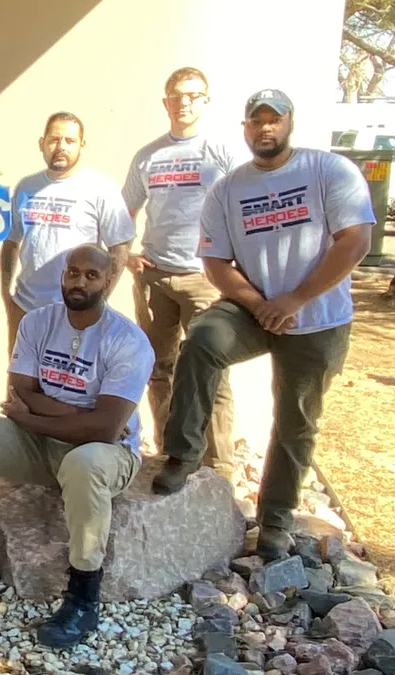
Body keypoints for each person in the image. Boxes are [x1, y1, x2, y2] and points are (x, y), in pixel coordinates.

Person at [152, 90, 376, 562]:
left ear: (289, 122)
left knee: (296, 421)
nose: (265, 128)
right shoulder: (229, 188)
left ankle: (275, 522)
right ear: (245, 128)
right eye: (256, 121)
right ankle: (184, 452)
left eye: (273, 120)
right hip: (255, 309)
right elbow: (214, 261)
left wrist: (295, 298)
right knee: (204, 341)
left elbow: (355, 240)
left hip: (318, 318)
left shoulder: (328, 170)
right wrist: (261, 304)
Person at [0, 244, 153, 649]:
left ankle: (83, 598)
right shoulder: (37, 323)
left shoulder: (128, 341)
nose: (79, 281)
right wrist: (74, 416)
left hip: (106, 456)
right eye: (72, 272)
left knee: (84, 462)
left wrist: (33, 416)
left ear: (108, 280)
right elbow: (23, 389)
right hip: (40, 444)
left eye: (91, 275)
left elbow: (104, 429)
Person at [121, 68, 243, 471]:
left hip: (203, 279)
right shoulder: (148, 155)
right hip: (156, 277)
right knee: (159, 369)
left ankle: (219, 464)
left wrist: (230, 265)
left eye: (193, 95)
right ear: (165, 102)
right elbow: (125, 214)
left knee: (212, 368)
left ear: (205, 101)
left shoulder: (220, 151)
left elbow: (241, 210)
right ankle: (170, 450)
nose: (184, 102)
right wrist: (128, 257)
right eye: (176, 95)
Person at [1, 112, 137, 356]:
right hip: (26, 308)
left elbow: (120, 247)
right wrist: (6, 294)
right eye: (54, 139)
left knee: (67, 388)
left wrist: (98, 300)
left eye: (69, 141)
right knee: (18, 386)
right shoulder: (26, 186)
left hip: (75, 310)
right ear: (41, 143)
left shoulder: (100, 188)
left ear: (82, 145)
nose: (61, 147)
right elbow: (12, 241)